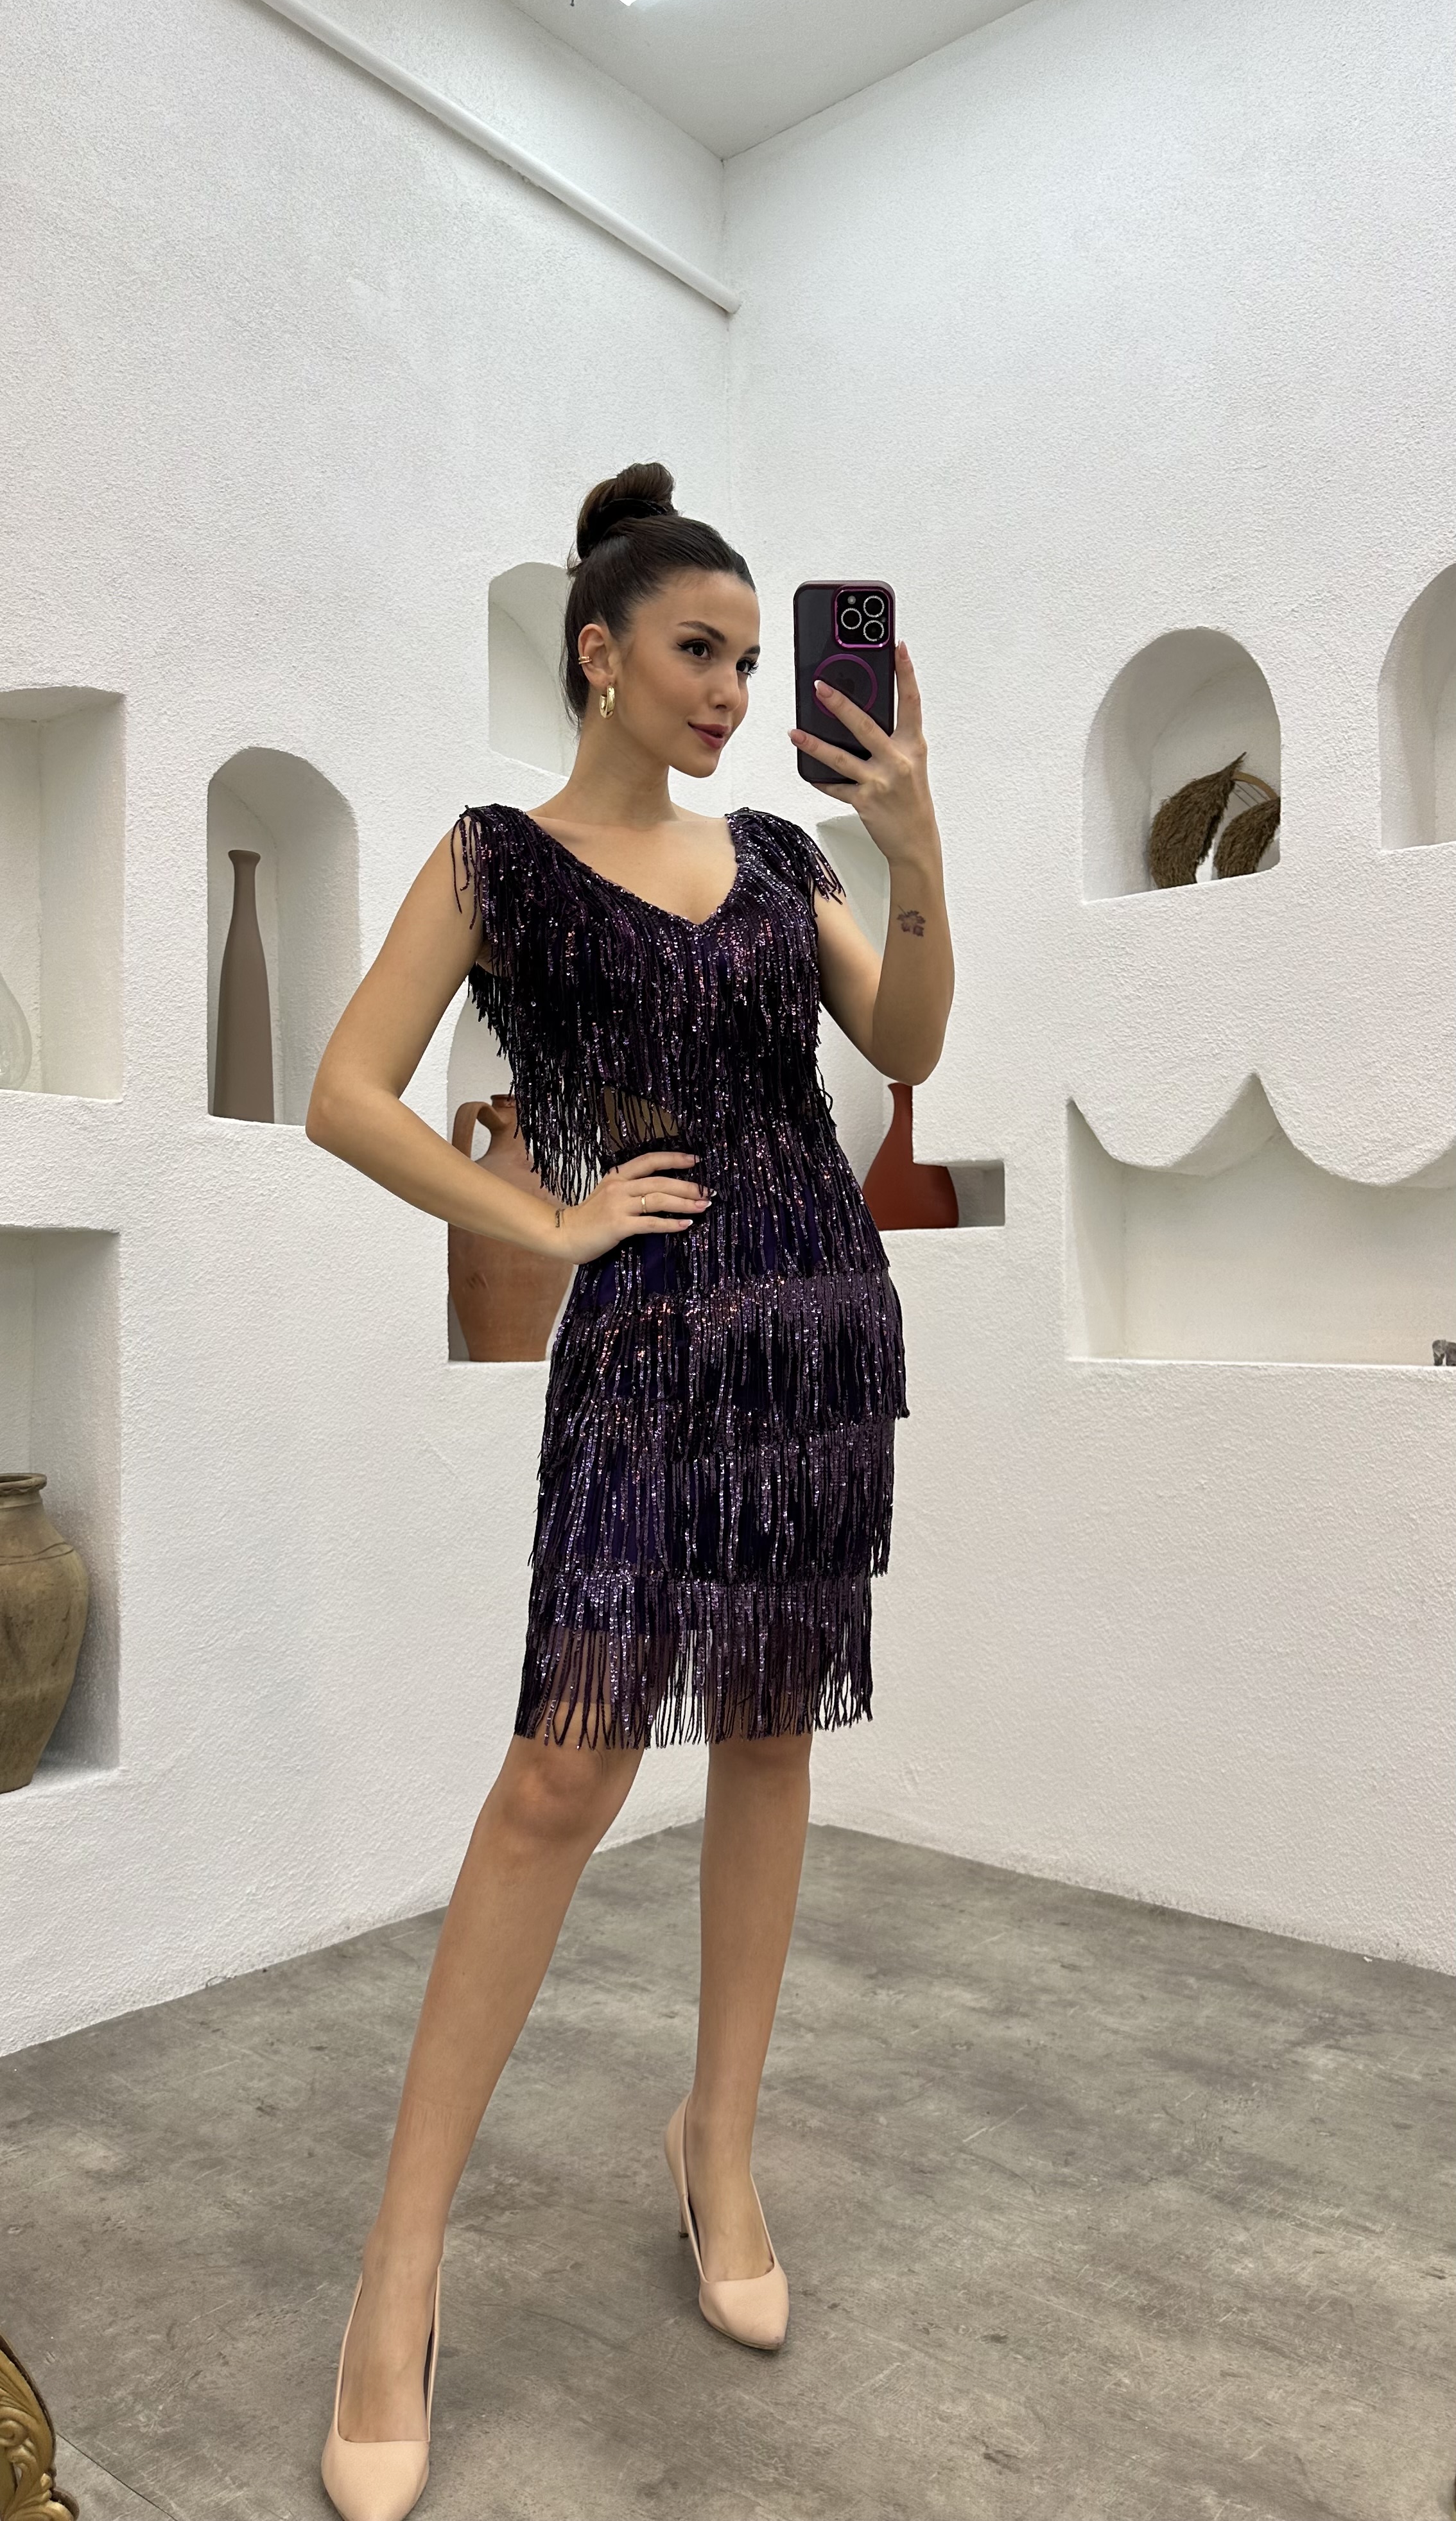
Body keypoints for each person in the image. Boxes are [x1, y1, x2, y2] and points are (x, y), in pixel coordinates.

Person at [304, 462, 953, 2520]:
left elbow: (908, 1037)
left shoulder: (773, 850)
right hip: (651, 1340)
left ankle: (716, 2148)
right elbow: (344, 1094)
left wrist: (915, 845)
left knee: (770, 1737)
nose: (733, 691)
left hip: (815, 1327)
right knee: (557, 1778)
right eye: (698, 651)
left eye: (752, 660)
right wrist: (547, 1217)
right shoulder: (495, 857)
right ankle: (398, 2274)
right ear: (598, 652)